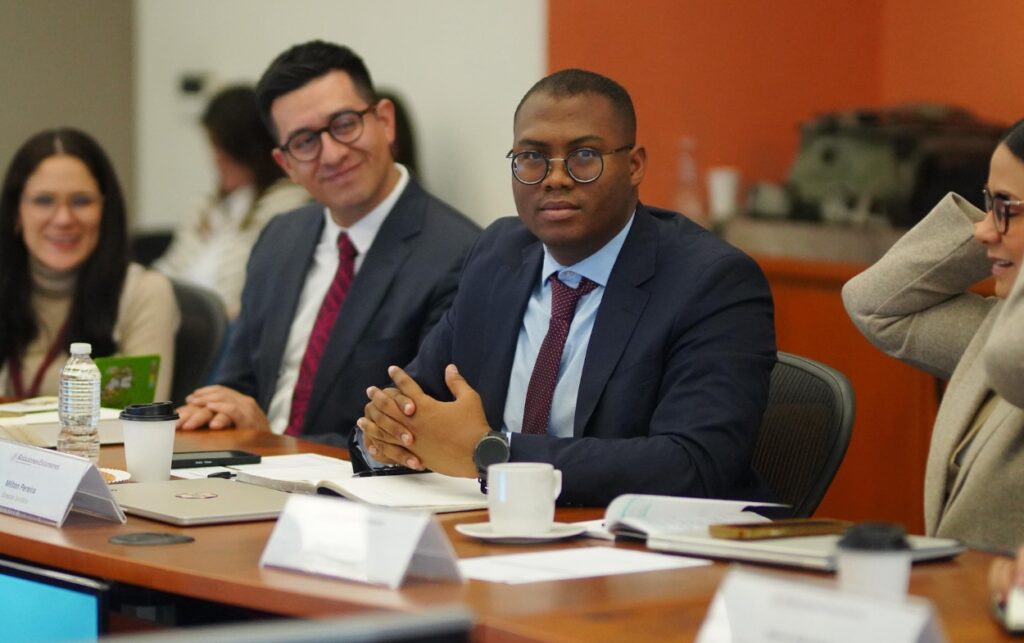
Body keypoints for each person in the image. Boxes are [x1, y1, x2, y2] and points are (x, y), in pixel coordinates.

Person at [358, 69, 776, 506]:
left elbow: (695, 464)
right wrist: (389, 428)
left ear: (634, 166)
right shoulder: (497, 256)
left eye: (584, 157)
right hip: (500, 533)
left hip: (646, 553)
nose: (555, 178)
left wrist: (494, 454)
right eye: (533, 158)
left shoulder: (711, 281)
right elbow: (416, 399)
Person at [175, 41, 479, 442]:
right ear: (286, 165)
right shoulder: (280, 237)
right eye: (304, 142)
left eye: (345, 124)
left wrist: (274, 445)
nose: (332, 154)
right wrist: (213, 411)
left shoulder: (460, 254)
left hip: (359, 491)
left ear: (385, 122)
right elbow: (236, 383)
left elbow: (410, 431)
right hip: (245, 471)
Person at [843, 119, 1024, 547]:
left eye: (1006, 207)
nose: (982, 229)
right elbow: (875, 304)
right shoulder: (996, 326)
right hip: (965, 600)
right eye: (987, 203)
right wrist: (1002, 228)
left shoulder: (1007, 343)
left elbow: (1010, 359)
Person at [0, 128, 178, 399]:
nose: (63, 219)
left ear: (105, 210)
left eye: (81, 201)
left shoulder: (144, 292)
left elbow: (141, 415)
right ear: (16, 212)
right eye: (44, 201)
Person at [153, 85, 310, 319]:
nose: (216, 159)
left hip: (224, 327)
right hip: (177, 317)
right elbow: (169, 269)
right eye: (213, 147)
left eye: (223, 149)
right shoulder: (206, 206)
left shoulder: (288, 205)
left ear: (249, 149)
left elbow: (254, 296)